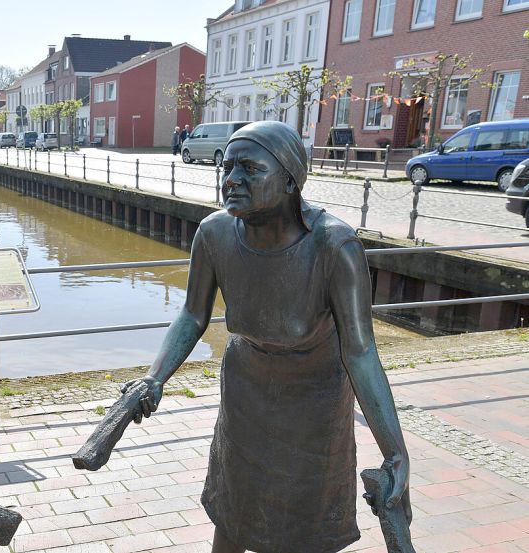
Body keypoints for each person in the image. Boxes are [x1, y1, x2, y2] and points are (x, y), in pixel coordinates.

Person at [123, 121, 410, 553]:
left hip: (316, 398)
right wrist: (154, 377)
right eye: (227, 167)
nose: (232, 179)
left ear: (290, 180)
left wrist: (395, 452)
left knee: (307, 522)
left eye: (250, 169)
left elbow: (361, 350)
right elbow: (191, 314)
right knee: (235, 508)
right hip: (246, 390)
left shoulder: (334, 246)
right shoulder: (215, 233)